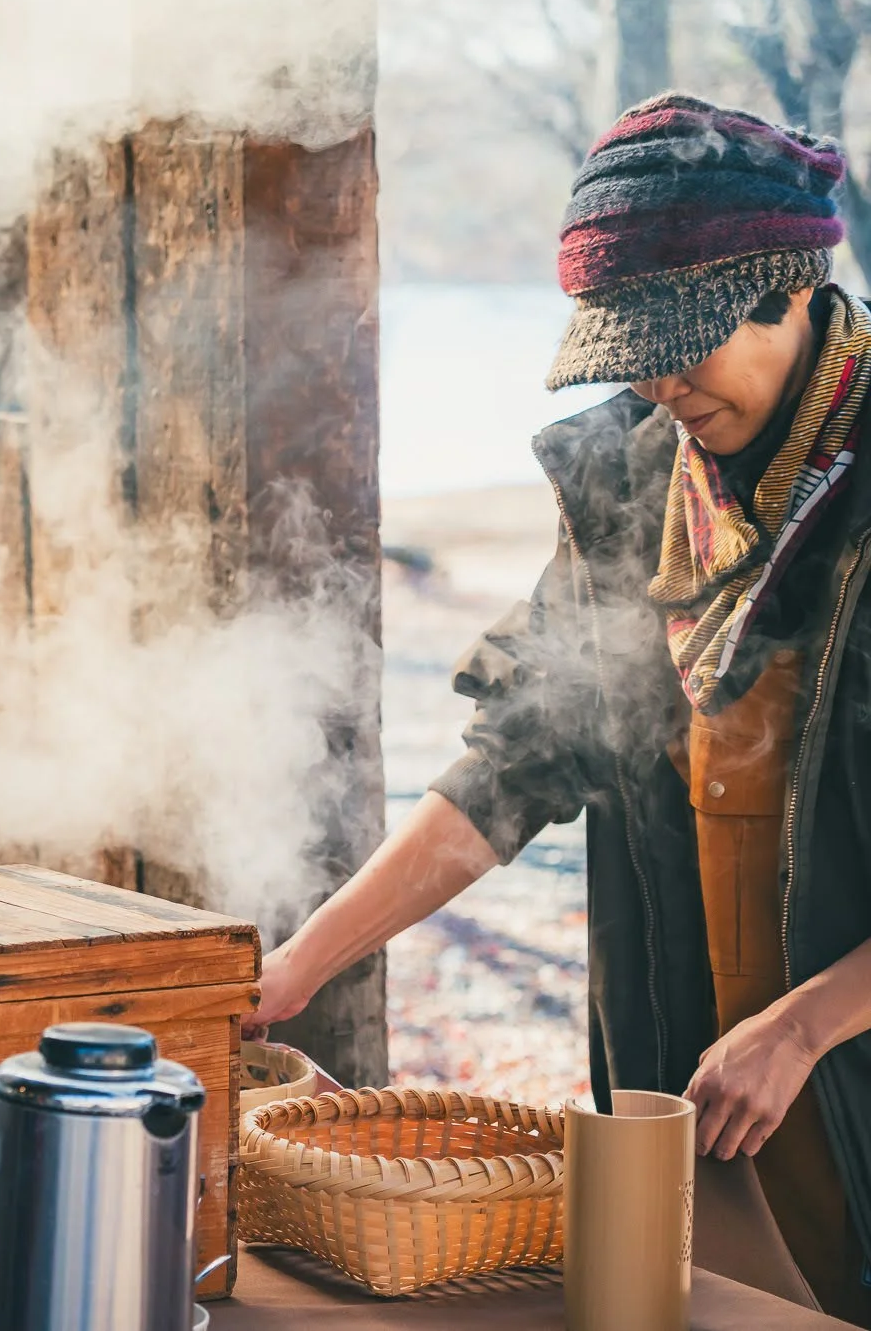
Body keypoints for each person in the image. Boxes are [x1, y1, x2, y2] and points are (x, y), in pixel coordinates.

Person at [249, 92, 871, 1324]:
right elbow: (509, 769)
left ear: (789, 290)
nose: (656, 382)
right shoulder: (634, 478)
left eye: (680, 338)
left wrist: (804, 1026)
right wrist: (296, 967)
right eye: (628, 346)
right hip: (683, 1051)